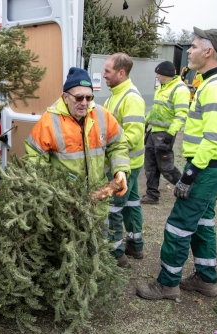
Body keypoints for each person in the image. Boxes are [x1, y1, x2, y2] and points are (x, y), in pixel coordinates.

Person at [136, 27, 217, 300]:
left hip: (205, 168)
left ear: (208, 50)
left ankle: (167, 284)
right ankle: (206, 279)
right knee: (203, 223)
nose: (188, 51)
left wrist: (189, 174)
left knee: (178, 226)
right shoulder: (214, 82)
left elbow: (212, 139)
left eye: (192, 46)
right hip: (211, 168)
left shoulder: (214, 87)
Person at [23, 67, 131, 266]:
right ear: (65, 96)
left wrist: (120, 169)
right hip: (66, 202)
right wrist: (48, 189)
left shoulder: (101, 115)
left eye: (89, 98)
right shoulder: (49, 122)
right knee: (68, 248)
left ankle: (96, 274)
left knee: (97, 242)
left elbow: (118, 143)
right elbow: (34, 159)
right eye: (79, 98)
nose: (85, 103)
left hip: (98, 199)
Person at [102, 52, 146, 265]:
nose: (103, 75)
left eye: (107, 71)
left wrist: (105, 145)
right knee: (132, 204)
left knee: (113, 207)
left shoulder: (131, 98)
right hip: (130, 165)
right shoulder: (115, 95)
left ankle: (116, 253)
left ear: (121, 73)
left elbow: (134, 136)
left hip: (123, 166)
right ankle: (135, 246)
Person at [141, 61, 190, 204]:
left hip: (165, 134)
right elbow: (156, 110)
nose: (156, 76)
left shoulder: (180, 89)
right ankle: (152, 195)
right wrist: (145, 123)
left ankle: (185, 187)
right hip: (153, 132)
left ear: (167, 74)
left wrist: (170, 134)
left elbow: (181, 114)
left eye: (158, 73)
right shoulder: (162, 88)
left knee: (165, 167)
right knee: (150, 166)